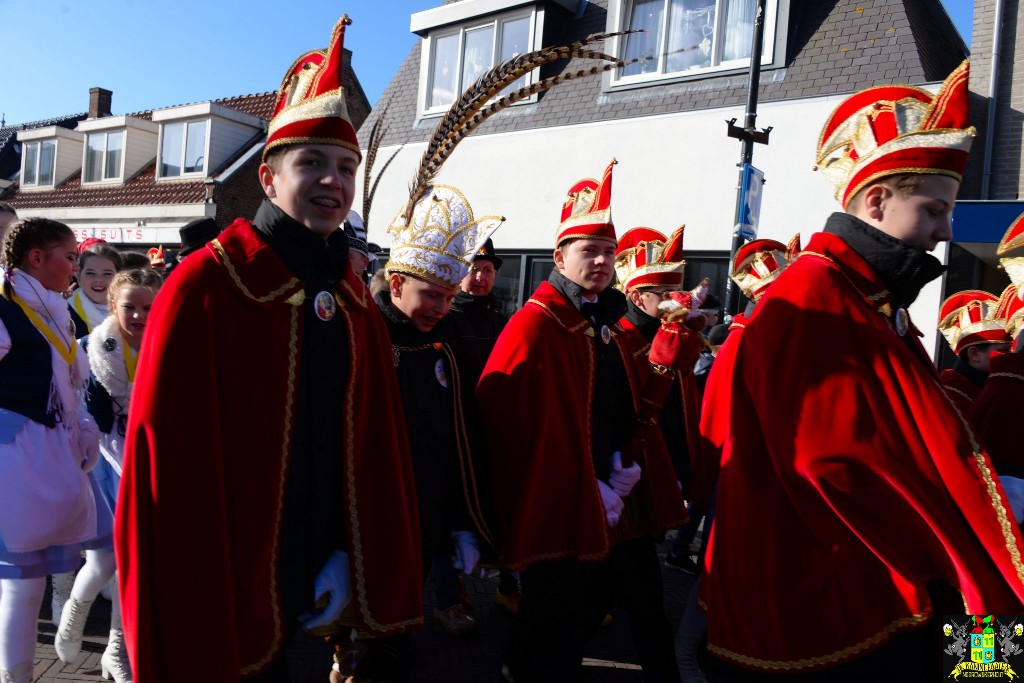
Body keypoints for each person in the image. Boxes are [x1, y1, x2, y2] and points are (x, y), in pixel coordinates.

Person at [116, 15, 423, 683]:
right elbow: (170, 472)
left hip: (323, 576)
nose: (331, 182)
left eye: (345, 167)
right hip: (229, 586)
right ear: (267, 176)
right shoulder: (206, 284)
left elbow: (369, 444)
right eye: (310, 162)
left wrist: (349, 552)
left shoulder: (350, 292)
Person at [698, 61, 1024, 681]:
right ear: (876, 199)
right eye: (932, 211)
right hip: (841, 594)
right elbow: (828, 466)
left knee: (987, 638)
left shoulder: (862, 296)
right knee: (981, 640)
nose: (944, 231)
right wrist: (947, 517)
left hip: (875, 578)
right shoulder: (815, 302)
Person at [478, 160, 695, 682]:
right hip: (560, 502)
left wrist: (624, 466)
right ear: (559, 256)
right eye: (588, 251)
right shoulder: (536, 323)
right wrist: (572, 480)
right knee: (552, 618)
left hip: (621, 495)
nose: (601, 261)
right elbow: (499, 417)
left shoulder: (608, 322)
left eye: (607, 253)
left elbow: (634, 400)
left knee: (640, 605)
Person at [376, 184, 501, 644]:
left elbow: (457, 427)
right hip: (382, 500)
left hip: (434, 491)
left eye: (450, 297)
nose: (443, 308)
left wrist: (465, 516)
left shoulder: (444, 338)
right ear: (395, 284)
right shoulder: (366, 339)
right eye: (432, 295)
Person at [0, 218, 107, 683]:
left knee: (34, 580)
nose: (76, 266)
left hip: (51, 453)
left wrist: (82, 426)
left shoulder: (52, 311)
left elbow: (67, 381)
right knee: (21, 586)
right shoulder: (6, 311)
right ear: (36, 259)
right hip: (15, 457)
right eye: (68, 256)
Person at [55, 268, 162, 683]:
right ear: (112, 307)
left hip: (145, 463)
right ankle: (73, 615)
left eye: (147, 307)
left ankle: (115, 649)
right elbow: (74, 409)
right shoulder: (90, 347)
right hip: (98, 463)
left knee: (130, 560)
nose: (138, 315)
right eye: (129, 307)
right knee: (104, 558)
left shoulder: (168, 346)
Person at [936, 290, 1011, 417]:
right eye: (1004, 351)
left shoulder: (994, 387)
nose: (1011, 356)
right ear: (974, 354)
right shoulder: (952, 397)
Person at [69, 243, 122, 337]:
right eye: (90, 273)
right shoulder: (63, 311)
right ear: (78, 276)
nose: (99, 280)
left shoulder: (131, 310)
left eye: (107, 274)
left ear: (119, 277)